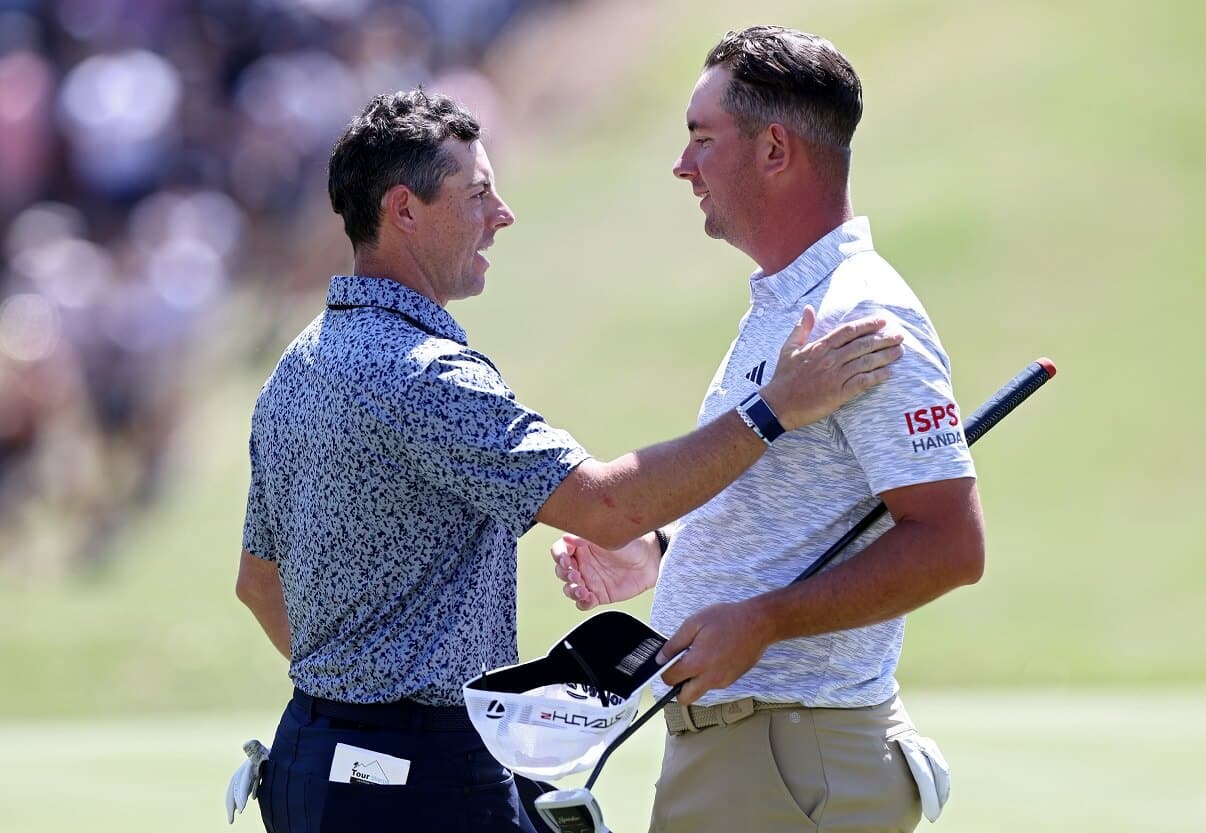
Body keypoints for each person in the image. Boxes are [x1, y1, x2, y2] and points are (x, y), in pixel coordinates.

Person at [234, 86, 904, 833]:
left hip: (311, 758)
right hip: (420, 781)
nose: (502, 213)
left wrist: (354, 699)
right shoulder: (424, 372)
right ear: (403, 210)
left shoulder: (296, 366)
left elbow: (258, 582)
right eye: (478, 192)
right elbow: (607, 505)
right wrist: (775, 406)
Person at [550, 26, 986, 833]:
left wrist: (766, 621)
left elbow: (951, 544)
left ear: (775, 150)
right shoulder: (787, 304)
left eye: (702, 140)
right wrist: (662, 553)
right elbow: (791, 506)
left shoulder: (861, 314)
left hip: (789, 754)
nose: (684, 166)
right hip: (753, 753)